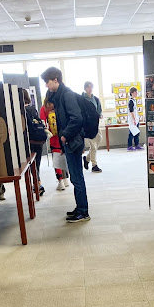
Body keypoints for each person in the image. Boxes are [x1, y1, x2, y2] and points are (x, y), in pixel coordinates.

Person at [41, 67, 90, 222]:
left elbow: (77, 118)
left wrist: (64, 136)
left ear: (56, 79)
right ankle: (80, 207)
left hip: (72, 141)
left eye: (47, 82)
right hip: (70, 142)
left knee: (76, 177)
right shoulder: (59, 95)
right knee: (76, 177)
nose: (46, 86)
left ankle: (83, 211)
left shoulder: (66, 95)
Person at [40, 95, 69, 191]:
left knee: (56, 159)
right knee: (64, 156)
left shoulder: (44, 109)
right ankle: (66, 180)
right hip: (63, 136)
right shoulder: (59, 106)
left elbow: (42, 122)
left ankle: (60, 181)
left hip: (53, 138)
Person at [82, 81, 103, 173]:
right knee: (93, 146)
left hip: (95, 124)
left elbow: (99, 110)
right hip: (87, 126)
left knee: (99, 139)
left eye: (91, 87)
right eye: (88, 87)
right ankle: (94, 165)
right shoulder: (82, 99)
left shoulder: (96, 99)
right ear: (85, 88)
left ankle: (87, 159)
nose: (90, 89)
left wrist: (100, 114)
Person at [127, 87, 143, 151]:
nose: (137, 94)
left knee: (137, 133)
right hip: (132, 120)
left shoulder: (134, 100)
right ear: (132, 93)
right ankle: (129, 146)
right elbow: (131, 111)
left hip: (136, 119)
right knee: (131, 133)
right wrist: (134, 119)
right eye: (135, 92)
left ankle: (137, 145)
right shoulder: (130, 101)